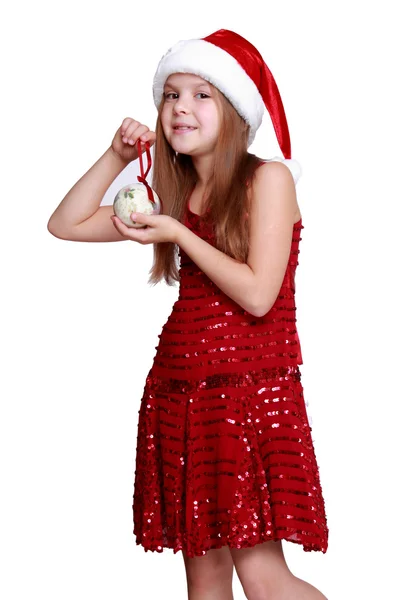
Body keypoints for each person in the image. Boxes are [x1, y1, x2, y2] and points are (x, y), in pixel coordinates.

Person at [48, 28, 328, 600]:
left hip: (249, 393)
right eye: (171, 95)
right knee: (202, 579)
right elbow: (65, 224)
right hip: (181, 392)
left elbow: (257, 294)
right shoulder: (171, 194)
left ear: (233, 110)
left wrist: (177, 232)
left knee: (264, 577)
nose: (180, 107)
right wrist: (117, 156)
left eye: (201, 94)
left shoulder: (266, 180)